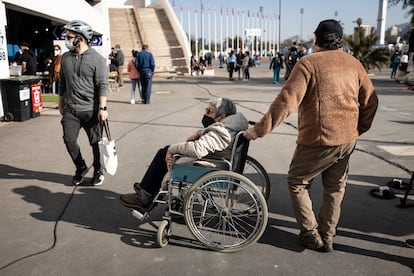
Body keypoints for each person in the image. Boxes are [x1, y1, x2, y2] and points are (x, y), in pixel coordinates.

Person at [244, 19, 378, 253]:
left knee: (298, 181)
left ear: (316, 39)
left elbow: (287, 101)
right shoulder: (354, 64)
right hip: (347, 139)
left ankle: (309, 233)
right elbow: (371, 101)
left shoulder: (308, 64)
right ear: (340, 40)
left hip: (318, 139)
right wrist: (359, 128)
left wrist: (259, 129)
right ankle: (327, 236)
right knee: (335, 188)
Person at [120, 98, 248, 210]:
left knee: (164, 153)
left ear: (222, 115)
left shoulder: (222, 131)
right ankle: (146, 188)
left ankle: (144, 197)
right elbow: (212, 136)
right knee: (166, 151)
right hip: (216, 160)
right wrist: (199, 133)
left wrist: (172, 149)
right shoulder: (232, 125)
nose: (205, 114)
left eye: (209, 111)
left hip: (211, 167)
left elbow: (198, 149)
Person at [58, 20, 109, 186]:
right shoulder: (65, 58)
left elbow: (102, 84)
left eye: (69, 36)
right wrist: (60, 103)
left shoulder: (97, 59)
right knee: (68, 139)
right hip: (71, 110)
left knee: (95, 143)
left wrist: (102, 108)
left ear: (80, 38)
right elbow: (62, 83)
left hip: (92, 110)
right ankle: (80, 167)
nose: (66, 39)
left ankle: (98, 170)